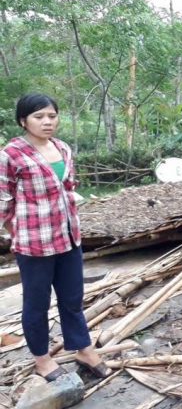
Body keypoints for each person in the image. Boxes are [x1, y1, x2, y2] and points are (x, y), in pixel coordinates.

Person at [0, 93, 110, 381]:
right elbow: (3, 200)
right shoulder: (11, 155)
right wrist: (16, 232)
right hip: (34, 244)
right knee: (36, 303)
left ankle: (82, 349)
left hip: (68, 237)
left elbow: (69, 187)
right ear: (23, 121)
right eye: (39, 117)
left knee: (72, 298)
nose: (47, 122)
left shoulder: (62, 148)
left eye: (51, 115)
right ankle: (41, 358)